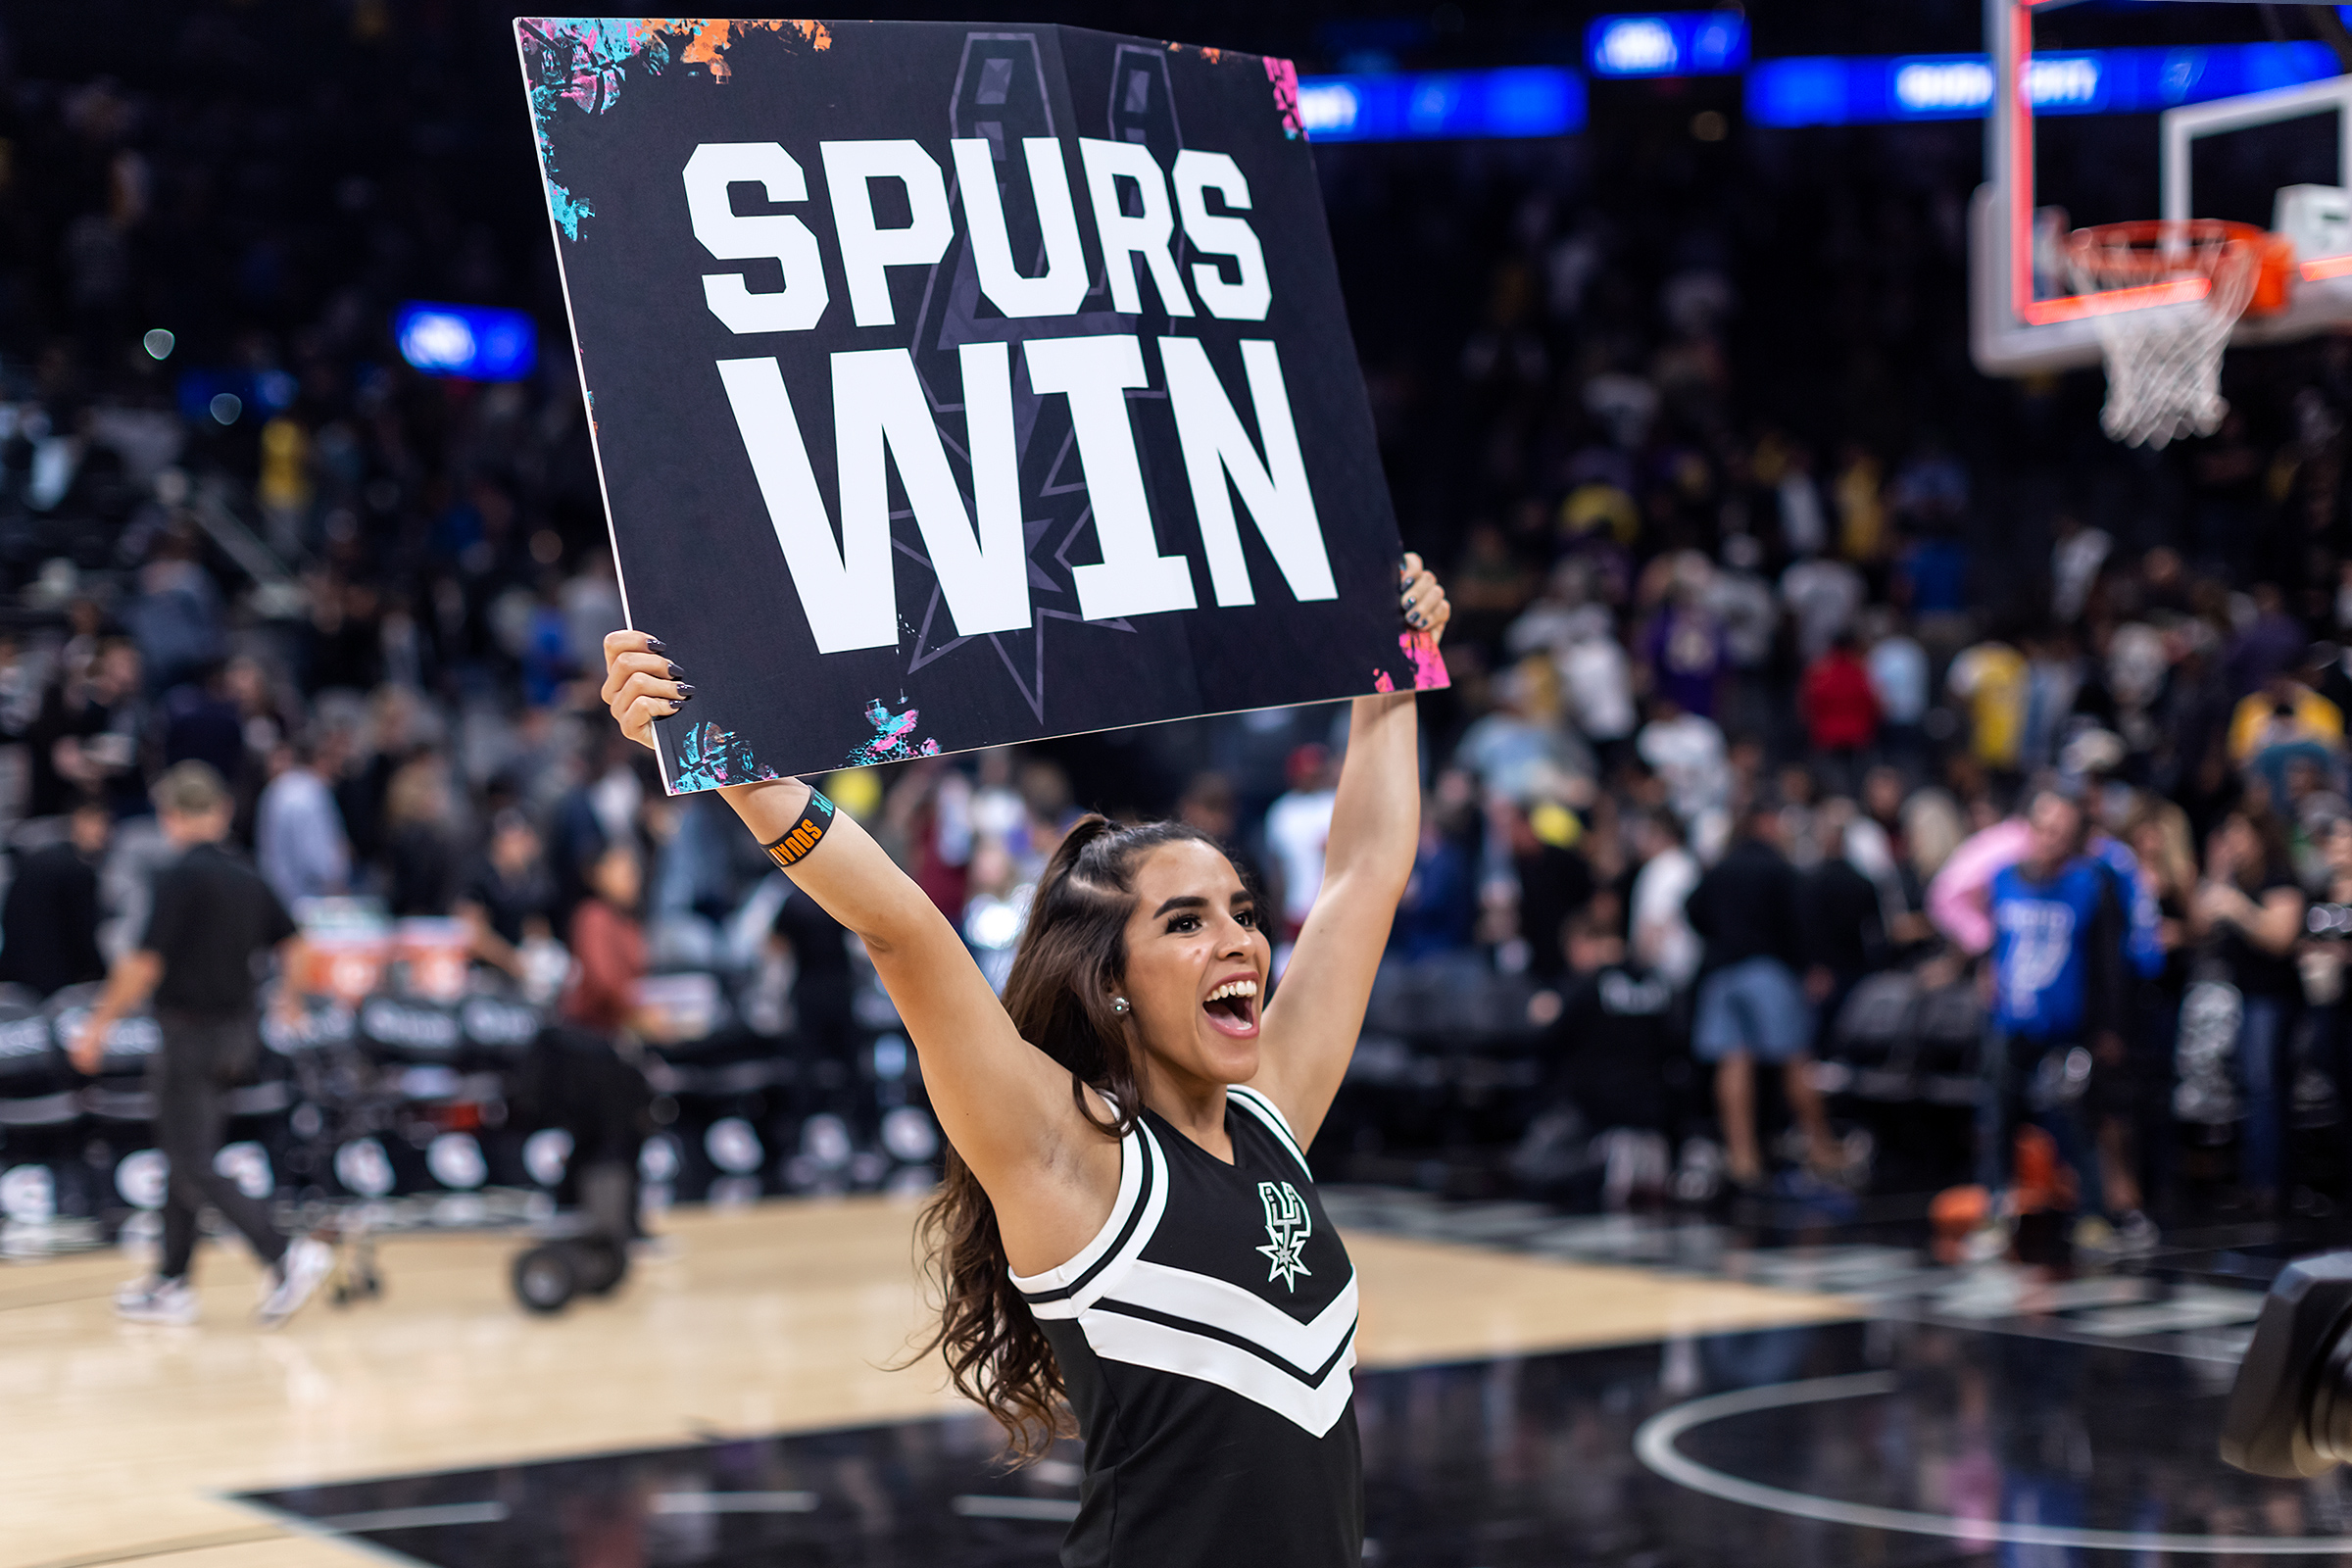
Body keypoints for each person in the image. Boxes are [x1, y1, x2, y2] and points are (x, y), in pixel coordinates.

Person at [597, 558, 1449, 1568]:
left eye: (1244, 912)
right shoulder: (1071, 1154)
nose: (1240, 943)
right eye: (1186, 922)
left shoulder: (1270, 1115)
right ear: (1111, 981)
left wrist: (1395, 663)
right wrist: (727, 758)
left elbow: (1364, 873)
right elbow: (904, 931)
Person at [68, 762, 333, 1327]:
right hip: (238, 1037)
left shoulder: (180, 876)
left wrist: (97, 1027)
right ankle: (172, 1282)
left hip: (189, 1035)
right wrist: (289, 1002)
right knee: (182, 1152)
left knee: (191, 1162)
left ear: (171, 816)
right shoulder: (248, 874)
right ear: (222, 812)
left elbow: (144, 964)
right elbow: (299, 946)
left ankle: (284, 1253)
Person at [1979, 786, 2131, 1251]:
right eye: (2044, 828)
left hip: (2070, 1024)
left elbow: (2108, 960)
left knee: (2079, 1116)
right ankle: (1996, 1211)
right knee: (1998, 1115)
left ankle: (2093, 1216)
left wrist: (2109, 1027)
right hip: (2011, 1020)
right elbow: (1996, 943)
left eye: (2061, 831)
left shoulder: (2091, 884)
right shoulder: (2004, 879)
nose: (2050, 839)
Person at [1684, 798, 1836, 1190]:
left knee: (1733, 1061)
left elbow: (1692, 909)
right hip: (1768, 970)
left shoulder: (1720, 868)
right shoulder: (1778, 868)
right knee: (1794, 1059)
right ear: (1765, 823)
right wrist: (1808, 965)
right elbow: (1799, 922)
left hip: (1722, 973)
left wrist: (1721, 938)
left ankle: (1742, 1157)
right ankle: (1821, 1148)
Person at [2190, 804, 2307, 1212]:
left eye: (2240, 834)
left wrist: (2238, 908)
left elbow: (2281, 937)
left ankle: (2272, 1184)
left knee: (2266, 1088)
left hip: (2273, 998)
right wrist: (2218, 873)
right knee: (2248, 1090)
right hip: (2240, 997)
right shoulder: (2235, 879)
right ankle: (2256, 1179)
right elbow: (2200, 924)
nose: (2235, 843)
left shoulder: (2278, 877)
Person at [0, 796, 111, 996]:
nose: (101, 831)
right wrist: (103, 975)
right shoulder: (76, 871)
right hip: (54, 983)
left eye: (105, 823)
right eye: (93, 822)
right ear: (75, 822)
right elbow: (84, 935)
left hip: (15, 976)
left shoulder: (38, 860)